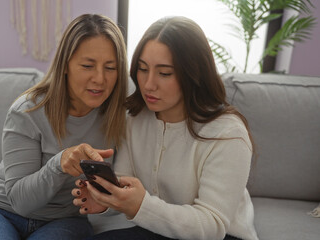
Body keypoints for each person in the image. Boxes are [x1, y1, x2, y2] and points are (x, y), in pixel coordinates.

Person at [72, 16, 259, 240]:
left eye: (164, 73)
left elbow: (212, 225)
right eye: (142, 69)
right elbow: (125, 185)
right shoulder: (134, 118)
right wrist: (105, 201)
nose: (148, 84)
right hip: (157, 229)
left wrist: (142, 205)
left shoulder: (228, 134)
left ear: (193, 73)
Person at [0, 13, 128, 240]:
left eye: (110, 68)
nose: (100, 79)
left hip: (65, 221)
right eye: (87, 66)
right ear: (65, 66)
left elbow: (120, 193)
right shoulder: (28, 111)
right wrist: (59, 164)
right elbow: (21, 203)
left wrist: (102, 203)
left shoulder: (121, 116)